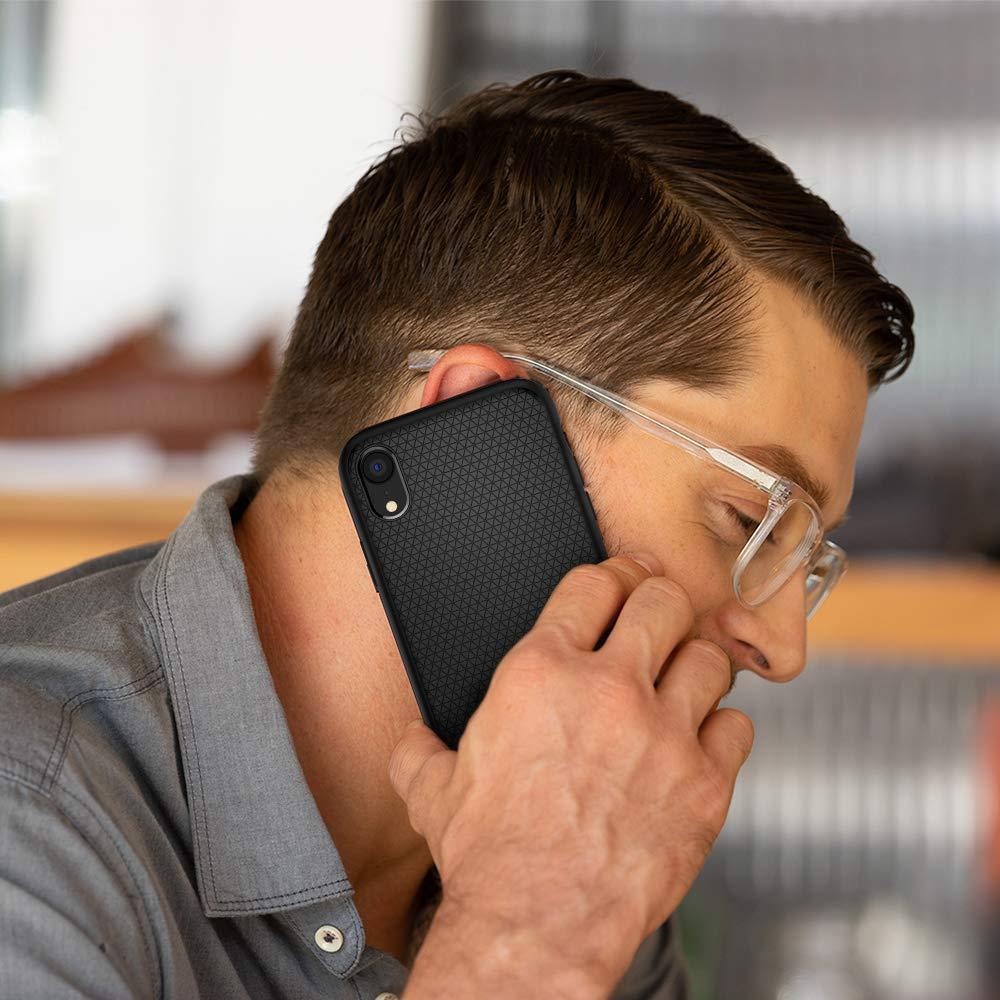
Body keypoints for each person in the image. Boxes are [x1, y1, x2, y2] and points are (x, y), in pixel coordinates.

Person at [0, 69, 914, 999]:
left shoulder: (564, 814)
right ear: (472, 432)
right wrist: (526, 932)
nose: (783, 649)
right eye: (749, 522)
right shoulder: (26, 824)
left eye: (804, 561)